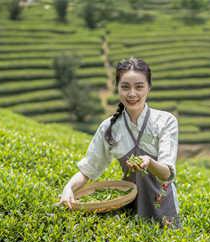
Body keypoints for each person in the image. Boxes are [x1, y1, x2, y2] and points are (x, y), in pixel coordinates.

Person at [59, 56, 182, 229]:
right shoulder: (109, 128)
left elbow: (166, 173)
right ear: (117, 88)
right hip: (130, 205)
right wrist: (68, 188)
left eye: (139, 87)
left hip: (164, 205)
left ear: (149, 88)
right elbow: (88, 170)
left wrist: (149, 162)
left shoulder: (165, 121)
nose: (132, 94)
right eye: (125, 87)